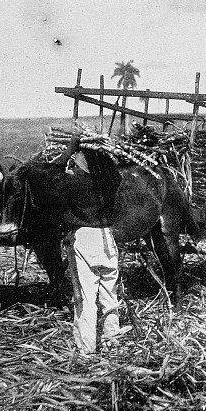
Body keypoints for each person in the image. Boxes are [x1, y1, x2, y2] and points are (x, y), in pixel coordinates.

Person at [51, 132, 127, 354]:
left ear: (81, 164)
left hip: (84, 239)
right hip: (107, 239)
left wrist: (70, 149)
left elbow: (52, 173)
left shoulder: (75, 183)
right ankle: (113, 340)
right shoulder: (110, 182)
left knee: (85, 299)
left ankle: (87, 349)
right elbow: (115, 173)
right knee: (109, 295)